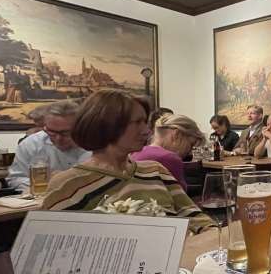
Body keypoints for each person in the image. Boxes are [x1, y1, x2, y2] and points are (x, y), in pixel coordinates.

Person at [43, 89, 215, 235]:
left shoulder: (155, 170)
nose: (147, 131)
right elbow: (55, 249)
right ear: (108, 125)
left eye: (145, 122)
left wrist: (212, 235)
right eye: (138, 122)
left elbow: (194, 216)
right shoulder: (67, 185)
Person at [7, 100, 90, 191]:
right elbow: (16, 178)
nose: (58, 138)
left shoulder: (93, 145)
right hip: (39, 197)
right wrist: (45, 184)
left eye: (65, 133)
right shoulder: (31, 144)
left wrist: (62, 180)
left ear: (79, 127)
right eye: (52, 132)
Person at [130, 114, 205, 191]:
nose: (190, 152)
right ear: (177, 134)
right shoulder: (170, 158)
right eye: (191, 144)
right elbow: (179, 197)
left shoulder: (136, 152)